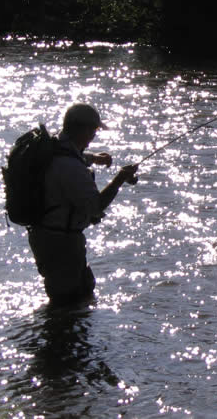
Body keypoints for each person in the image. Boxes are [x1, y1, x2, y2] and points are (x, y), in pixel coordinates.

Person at [28, 103, 138, 305]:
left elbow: (74, 157)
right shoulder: (69, 167)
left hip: (47, 237)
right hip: (61, 243)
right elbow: (95, 207)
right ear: (82, 129)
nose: (94, 136)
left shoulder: (56, 147)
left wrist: (94, 158)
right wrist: (119, 179)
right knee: (69, 303)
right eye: (94, 130)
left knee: (79, 295)